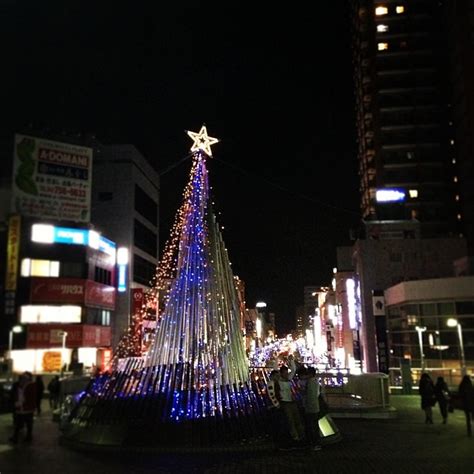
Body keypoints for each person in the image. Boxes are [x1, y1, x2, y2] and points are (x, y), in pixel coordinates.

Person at [276, 355, 305, 446]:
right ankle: (295, 437)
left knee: (297, 418)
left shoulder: (289, 378)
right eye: (284, 373)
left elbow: (293, 369)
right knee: (290, 420)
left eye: (286, 372)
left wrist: (291, 360)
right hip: (286, 402)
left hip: (292, 401)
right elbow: (276, 369)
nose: (285, 374)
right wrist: (276, 360)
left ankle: (301, 436)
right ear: (281, 373)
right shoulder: (279, 381)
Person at [9, 372, 36, 444]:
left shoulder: (25, 386)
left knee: (18, 424)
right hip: (30, 409)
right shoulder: (32, 385)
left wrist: (16, 404)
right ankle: (28, 437)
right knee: (29, 424)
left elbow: (22, 398)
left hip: (23, 409)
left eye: (23, 379)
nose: (21, 381)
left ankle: (15, 438)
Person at [300, 366, 322, 451]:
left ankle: (314, 443)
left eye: (307, 373)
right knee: (314, 426)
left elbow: (309, 395)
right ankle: (316, 443)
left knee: (311, 426)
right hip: (315, 407)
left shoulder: (310, 383)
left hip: (310, 407)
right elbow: (317, 394)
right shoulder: (316, 382)